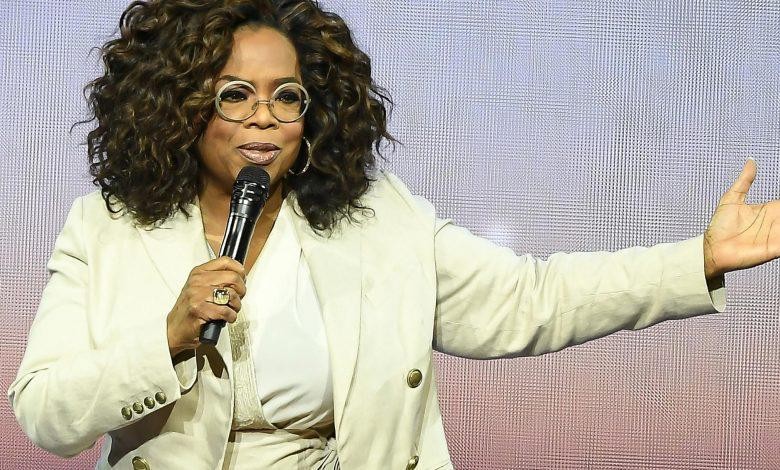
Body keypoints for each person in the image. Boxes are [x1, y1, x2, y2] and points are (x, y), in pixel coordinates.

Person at [7, 0, 779, 469]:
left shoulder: (380, 221)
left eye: (287, 97)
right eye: (234, 94)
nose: (263, 118)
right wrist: (167, 337)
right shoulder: (104, 229)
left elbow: (530, 298)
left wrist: (698, 259)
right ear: (180, 106)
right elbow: (45, 414)